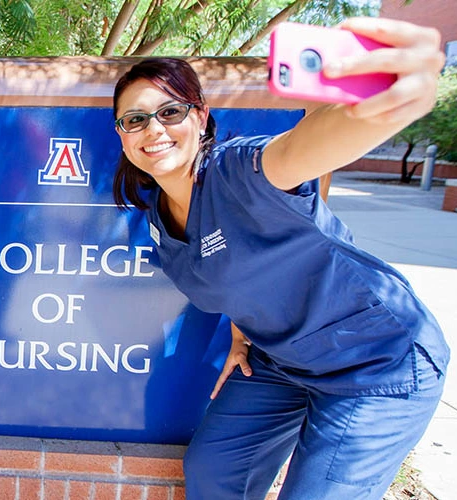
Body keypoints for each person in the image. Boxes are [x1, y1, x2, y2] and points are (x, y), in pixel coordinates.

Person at [109, 18, 449, 500]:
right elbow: (227, 273)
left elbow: (302, 148)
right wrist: (242, 334)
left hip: (376, 359)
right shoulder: (158, 218)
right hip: (280, 362)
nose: (153, 129)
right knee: (214, 473)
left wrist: (385, 107)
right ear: (122, 135)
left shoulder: (239, 170)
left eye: (169, 112)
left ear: (200, 116)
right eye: (135, 119)